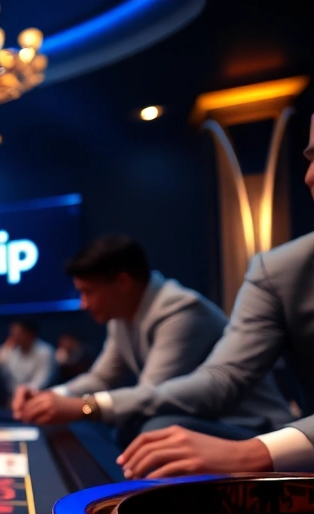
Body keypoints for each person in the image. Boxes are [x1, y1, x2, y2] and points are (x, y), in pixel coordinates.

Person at [118, 114, 314, 478]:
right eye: (310, 158)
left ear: (122, 282)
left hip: (269, 431)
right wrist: (82, 402)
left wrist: (256, 452)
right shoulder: (277, 269)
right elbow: (223, 377)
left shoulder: (179, 308)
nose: (309, 177)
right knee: (155, 432)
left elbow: (152, 388)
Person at [13, 235, 288, 444]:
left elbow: (151, 396)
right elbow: (100, 379)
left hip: (254, 428)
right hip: (203, 419)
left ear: (122, 282)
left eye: (88, 292)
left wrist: (83, 407)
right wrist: (51, 396)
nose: (83, 304)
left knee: (153, 427)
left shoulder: (182, 310)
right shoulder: (120, 316)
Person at [0, 319, 55, 393]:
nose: (14, 337)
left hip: (38, 395)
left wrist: (22, 393)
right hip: (12, 395)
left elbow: (41, 381)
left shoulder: (45, 351)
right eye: (12, 333)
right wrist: (4, 350)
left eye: (18, 334)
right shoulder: (10, 350)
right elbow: (1, 373)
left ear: (30, 334)